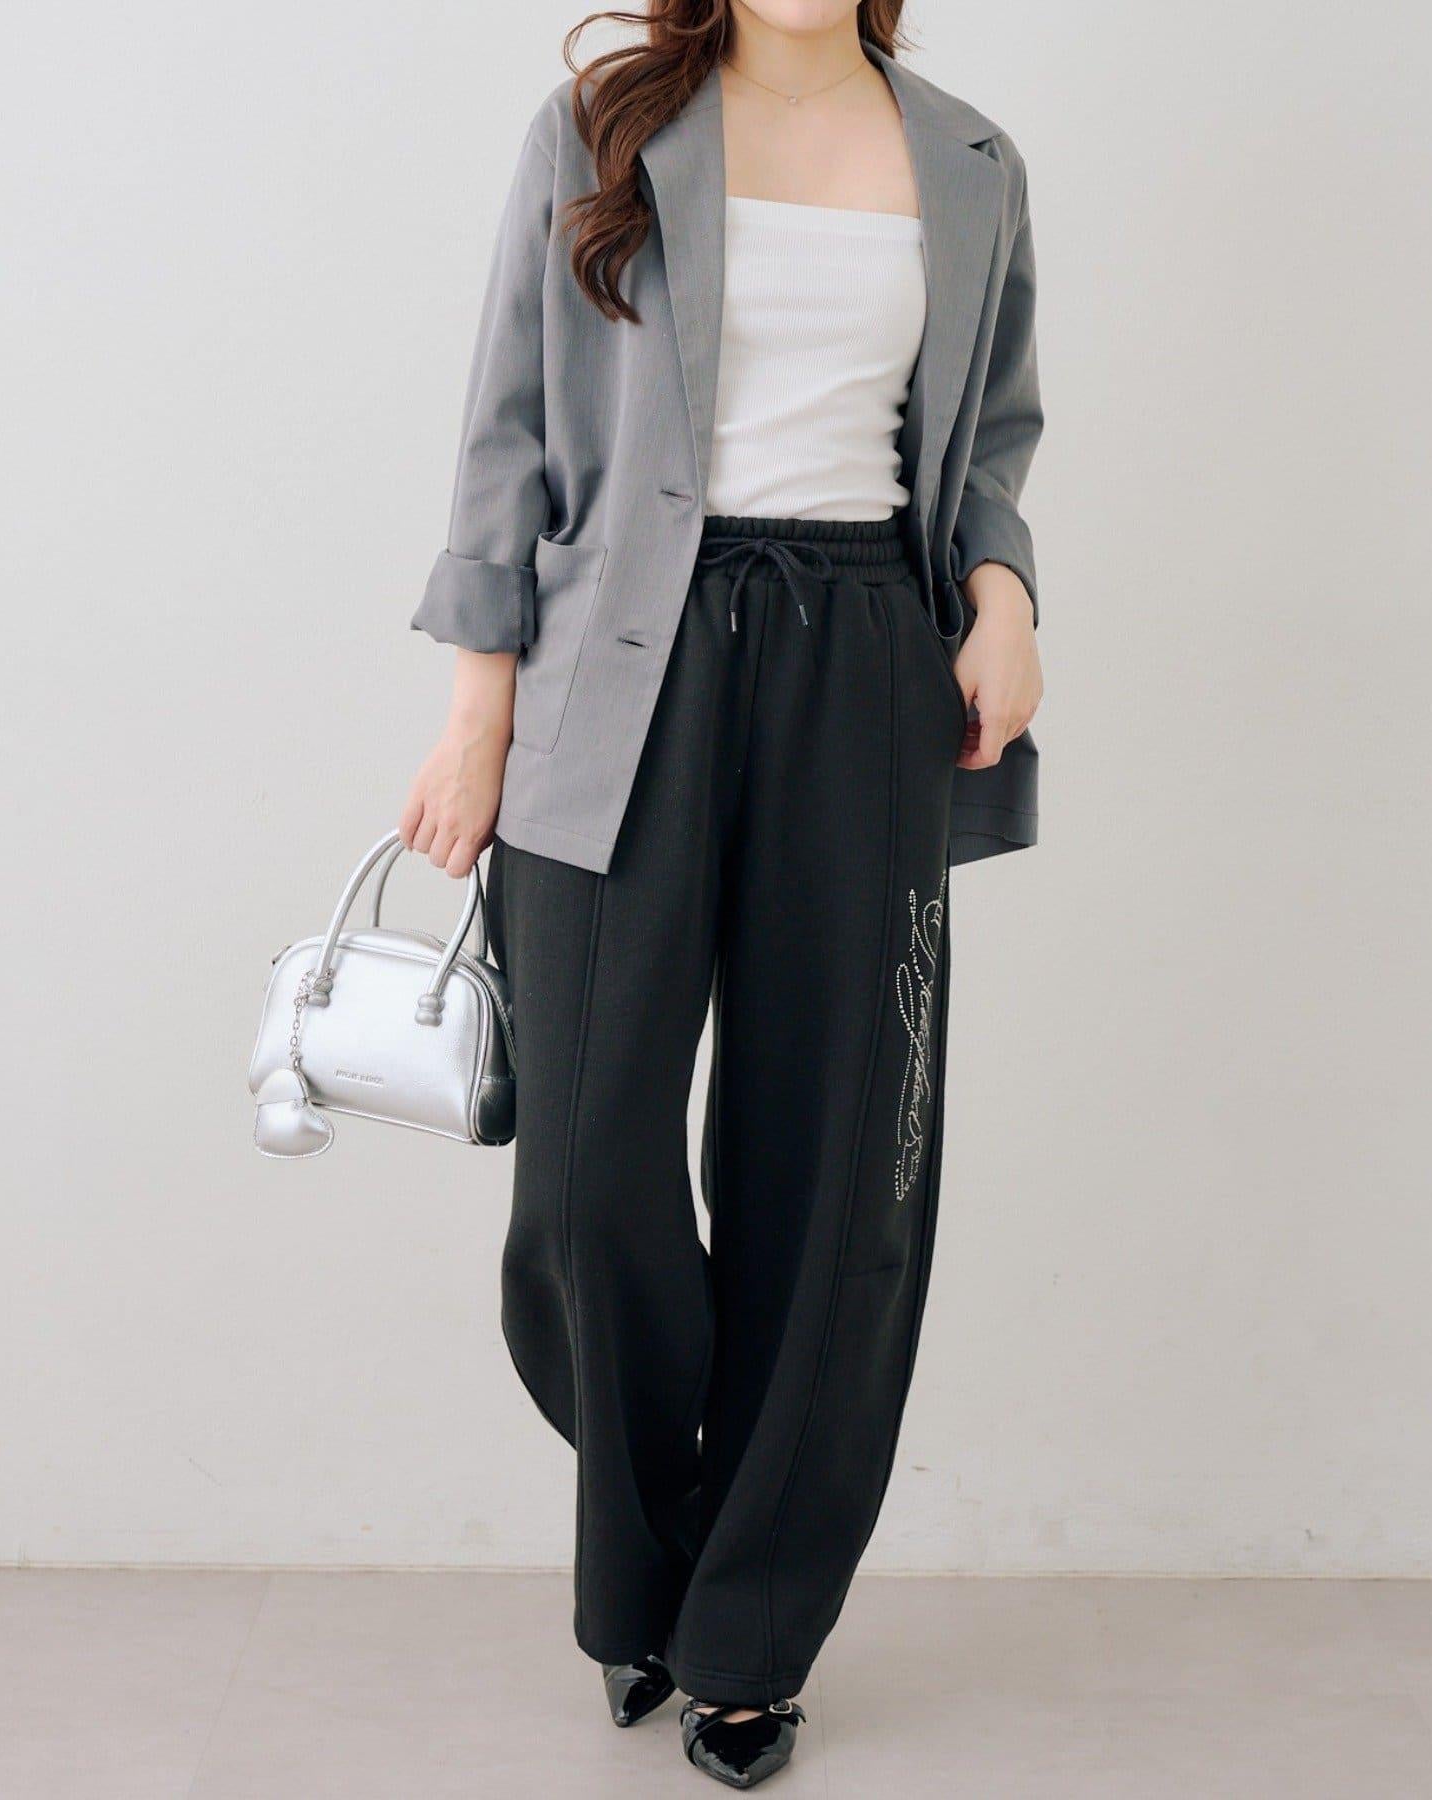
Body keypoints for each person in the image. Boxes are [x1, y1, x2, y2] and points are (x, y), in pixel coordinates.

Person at [400, 0, 1043, 1785]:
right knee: (582, 1179)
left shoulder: (971, 160)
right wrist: (476, 715)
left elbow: (987, 439)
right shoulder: (604, 129)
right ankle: (656, 1565)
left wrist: (1005, 599)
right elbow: (507, 427)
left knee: (836, 1181)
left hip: (866, 663)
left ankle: (748, 1639)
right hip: (622, 669)